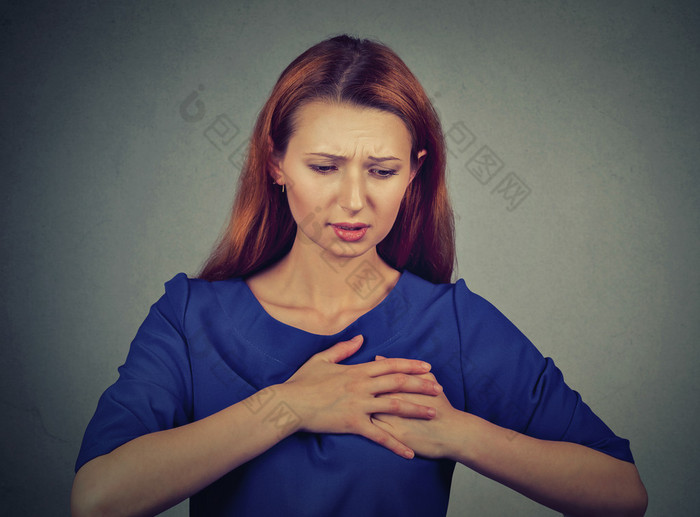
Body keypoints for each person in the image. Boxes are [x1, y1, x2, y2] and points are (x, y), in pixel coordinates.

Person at [71, 34, 648, 516]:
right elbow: (97, 499)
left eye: (382, 170)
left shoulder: (452, 325)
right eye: (324, 167)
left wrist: (457, 433)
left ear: (414, 174)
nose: (353, 201)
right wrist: (288, 406)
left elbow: (622, 494)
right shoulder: (190, 318)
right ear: (275, 163)